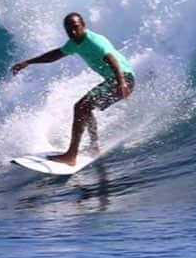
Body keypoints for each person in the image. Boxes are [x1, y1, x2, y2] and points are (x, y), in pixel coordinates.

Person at [10, 12, 135, 165]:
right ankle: (94, 147)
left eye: (76, 28)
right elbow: (54, 55)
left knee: (80, 107)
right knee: (85, 108)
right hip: (117, 79)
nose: (73, 32)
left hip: (122, 78)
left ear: (83, 26)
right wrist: (28, 62)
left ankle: (71, 155)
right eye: (69, 30)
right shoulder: (74, 42)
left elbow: (112, 60)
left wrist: (121, 83)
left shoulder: (94, 42)